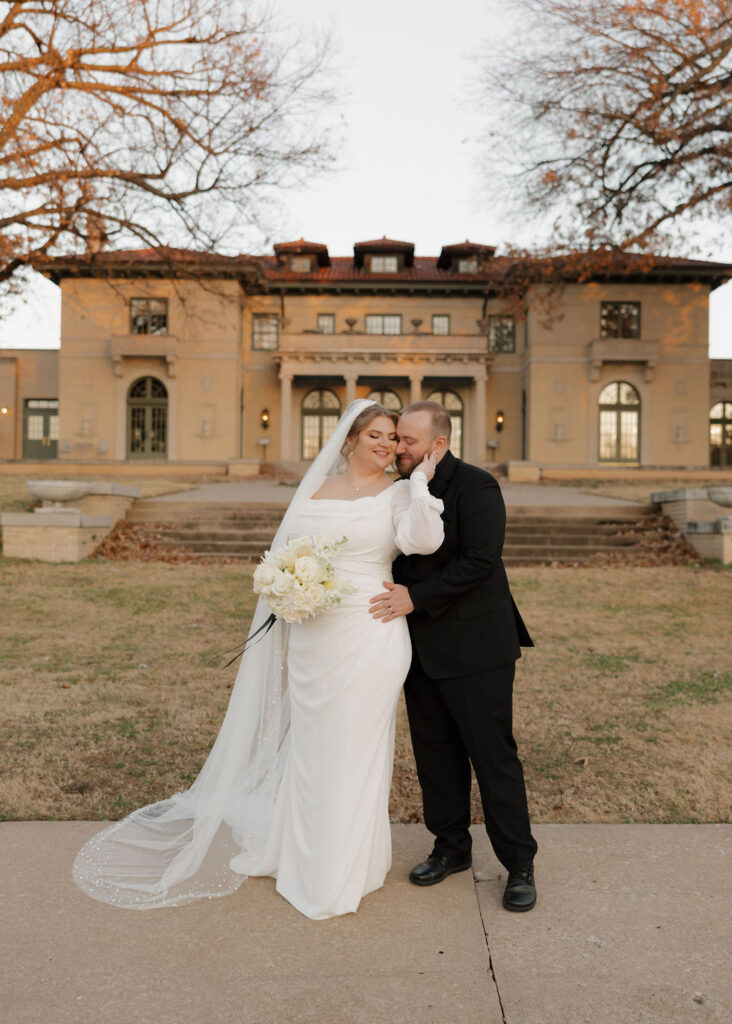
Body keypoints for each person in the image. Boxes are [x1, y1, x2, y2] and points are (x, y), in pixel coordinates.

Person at [72, 399, 445, 920]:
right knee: (310, 749)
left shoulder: (401, 493)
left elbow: (424, 542)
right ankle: (298, 854)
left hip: (369, 630)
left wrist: (421, 482)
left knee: (353, 748)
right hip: (315, 635)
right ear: (350, 439)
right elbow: (291, 549)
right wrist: (290, 586)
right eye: (375, 435)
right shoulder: (316, 488)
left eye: (393, 437)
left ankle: (341, 870)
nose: (387, 445)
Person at [370, 401, 538, 912]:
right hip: (418, 649)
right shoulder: (397, 489)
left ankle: (519, 864)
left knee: (492, 757)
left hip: (477, 647)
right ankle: (451, 848)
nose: (398, 448)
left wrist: (416, 598)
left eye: (408, 441)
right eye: (396, 438)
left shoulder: (477, 487)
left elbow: (481, 561)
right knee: (435, 755)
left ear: (438, 445)